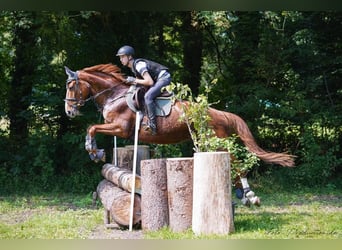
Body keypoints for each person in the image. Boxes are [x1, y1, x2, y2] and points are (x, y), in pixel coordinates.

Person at [116, 45, 171, 135]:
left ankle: (153, 125)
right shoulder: (134, 67)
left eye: (122, 57)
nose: (121, 59)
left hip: (164, 78)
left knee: (148, 97)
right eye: (120, 57)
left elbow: (149, 82)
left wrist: (134, 80)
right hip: (158, 79)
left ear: (129, 57)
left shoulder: (139, 65)